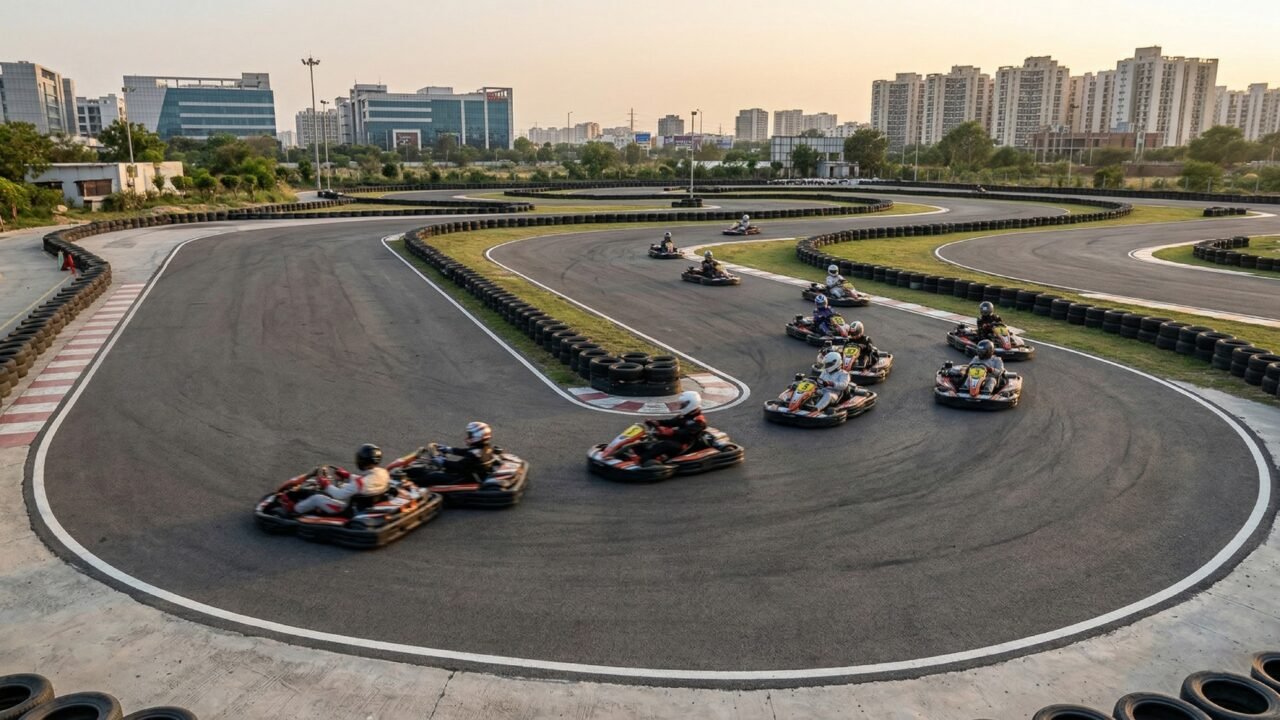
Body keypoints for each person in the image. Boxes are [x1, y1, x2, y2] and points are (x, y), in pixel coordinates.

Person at [290, 443, 391, 516]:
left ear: (362, 461)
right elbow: (368, 482)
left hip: (349, 510)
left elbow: (339, 495)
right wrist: (348, 476)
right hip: (367, 504)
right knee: (341, 485)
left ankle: (294, 511)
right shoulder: (384, 473)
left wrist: (325, 484)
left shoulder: (359, 483)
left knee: (316, 498)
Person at [415, 421, 498, 485]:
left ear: (477, 437)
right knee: (428, 470)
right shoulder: (485, 448)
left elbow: (459, 466)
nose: (468, 437)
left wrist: (443, 461)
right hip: (471, 473)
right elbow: (465, 452)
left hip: (464, 478)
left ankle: (414, 488)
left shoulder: (476, 454)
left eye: (470, 435)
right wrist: (448, 449)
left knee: (432, 476)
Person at [638, 391, 707, 465]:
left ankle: (643, 460)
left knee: (665, 444)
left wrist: (671, 432)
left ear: (690, 404)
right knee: (649, 437)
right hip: (676, 438)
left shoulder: (699, 421)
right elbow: (671, 422)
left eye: (682, 405)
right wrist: (657, 422)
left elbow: (686, 432)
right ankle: (636, 452)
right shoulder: (685, 416)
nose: (681, 406)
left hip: (685, 444)